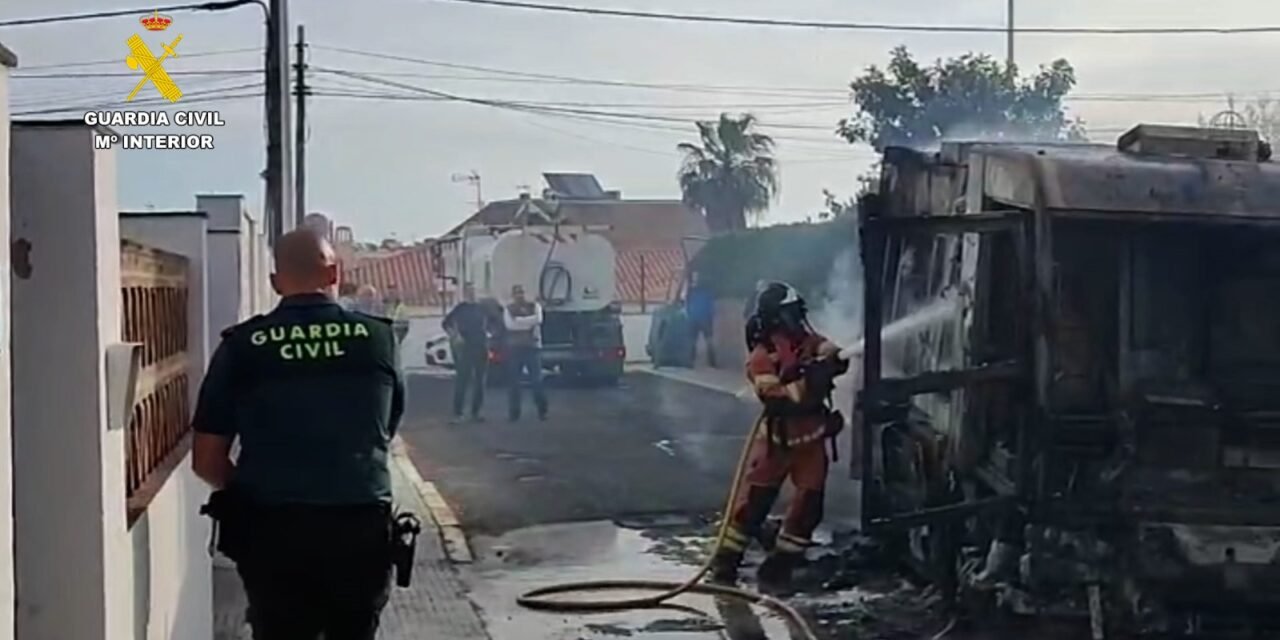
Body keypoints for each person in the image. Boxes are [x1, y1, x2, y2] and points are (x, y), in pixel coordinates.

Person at [191, 230, 406, 640]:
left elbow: (206, 459)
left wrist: (257, 488)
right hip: (358, 527)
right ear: (334, 272)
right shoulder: (379, 338)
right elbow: (386, 428)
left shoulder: (242, 347)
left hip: (271, 529)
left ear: (275, 283)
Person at [710, 281, 849, 590]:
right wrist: (810, 383)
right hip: (777, 444)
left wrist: (834, 357)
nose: (798, 320)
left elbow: (824, 346)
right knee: (753, 508)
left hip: (812, 442)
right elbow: (775, 398)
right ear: (778, 317)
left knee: (809, 508)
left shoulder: (804, 340)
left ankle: (779, 569)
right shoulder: (761, 357)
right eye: (792, 314)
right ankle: (724, 566)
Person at [442, 282, 491, 423]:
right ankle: (458, 413)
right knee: (462, 380)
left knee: (480, 381)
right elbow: (446, 323)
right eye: (469, 291)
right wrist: (454, 335)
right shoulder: (460, 309)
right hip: (465, 347)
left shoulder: (483, 308)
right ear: (465, 293)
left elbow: (496, 322)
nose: (471, 293)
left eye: (473, 291)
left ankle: (476, 412)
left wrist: (490, 334)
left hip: (481, 346)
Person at [503, 284, 548, 421]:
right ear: (513, 295)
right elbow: (510, 325)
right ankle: (514, 413)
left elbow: (539, 320)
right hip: (515, 349)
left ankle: (542, 410)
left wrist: (520, 321)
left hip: (532, 348)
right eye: (517, 293)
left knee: (537, 381)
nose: (519, 295)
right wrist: (529, 322)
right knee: (514, 383)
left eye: (521, 292)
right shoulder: (509, 308)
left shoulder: (535, 306)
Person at [685, 271, 717, 368]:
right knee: (705, 340)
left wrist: (689, 313)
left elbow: (688, 303)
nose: (695, 279)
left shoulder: (692, 290)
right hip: (703, 318)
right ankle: (711, 362)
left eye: (696, 277)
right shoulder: (706, 289)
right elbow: (711, 303)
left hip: (698, 318)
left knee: (694, 340)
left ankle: (691, 361)